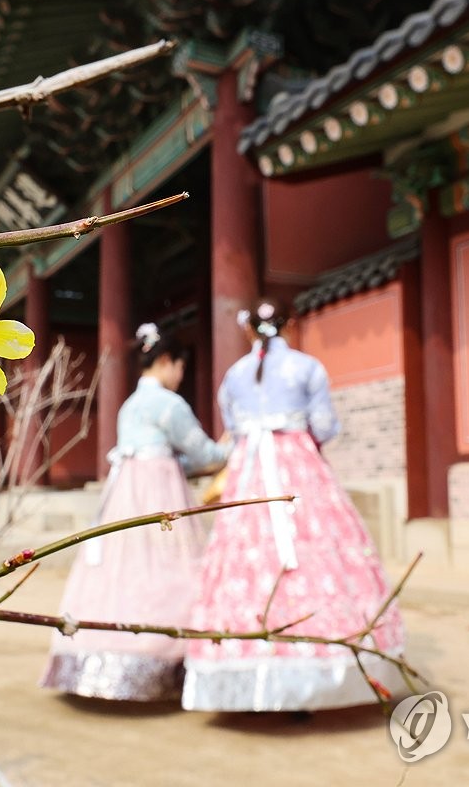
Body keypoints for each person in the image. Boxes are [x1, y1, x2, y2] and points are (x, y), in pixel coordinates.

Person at [183, 299, 406, 713]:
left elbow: (233, 427)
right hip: (298, 465)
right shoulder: (308, 367)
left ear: (248, 330)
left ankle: (249, 672)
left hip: (250, 471)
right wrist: (304, 440)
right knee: (315, 552)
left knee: (246, 557)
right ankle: (319, 665)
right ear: (290, 324)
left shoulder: (233, 375)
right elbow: (324, 425)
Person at [41, 323, 229, 701]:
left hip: (126, 491)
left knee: (123, 567)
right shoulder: (168, 404)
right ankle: (168, 660)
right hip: (158, 492)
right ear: (165, 361)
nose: (180, 375)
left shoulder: (130, 405)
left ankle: (100, 661)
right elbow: (205, 455)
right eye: (179, 366)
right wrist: (233, 445)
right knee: (167, 564)